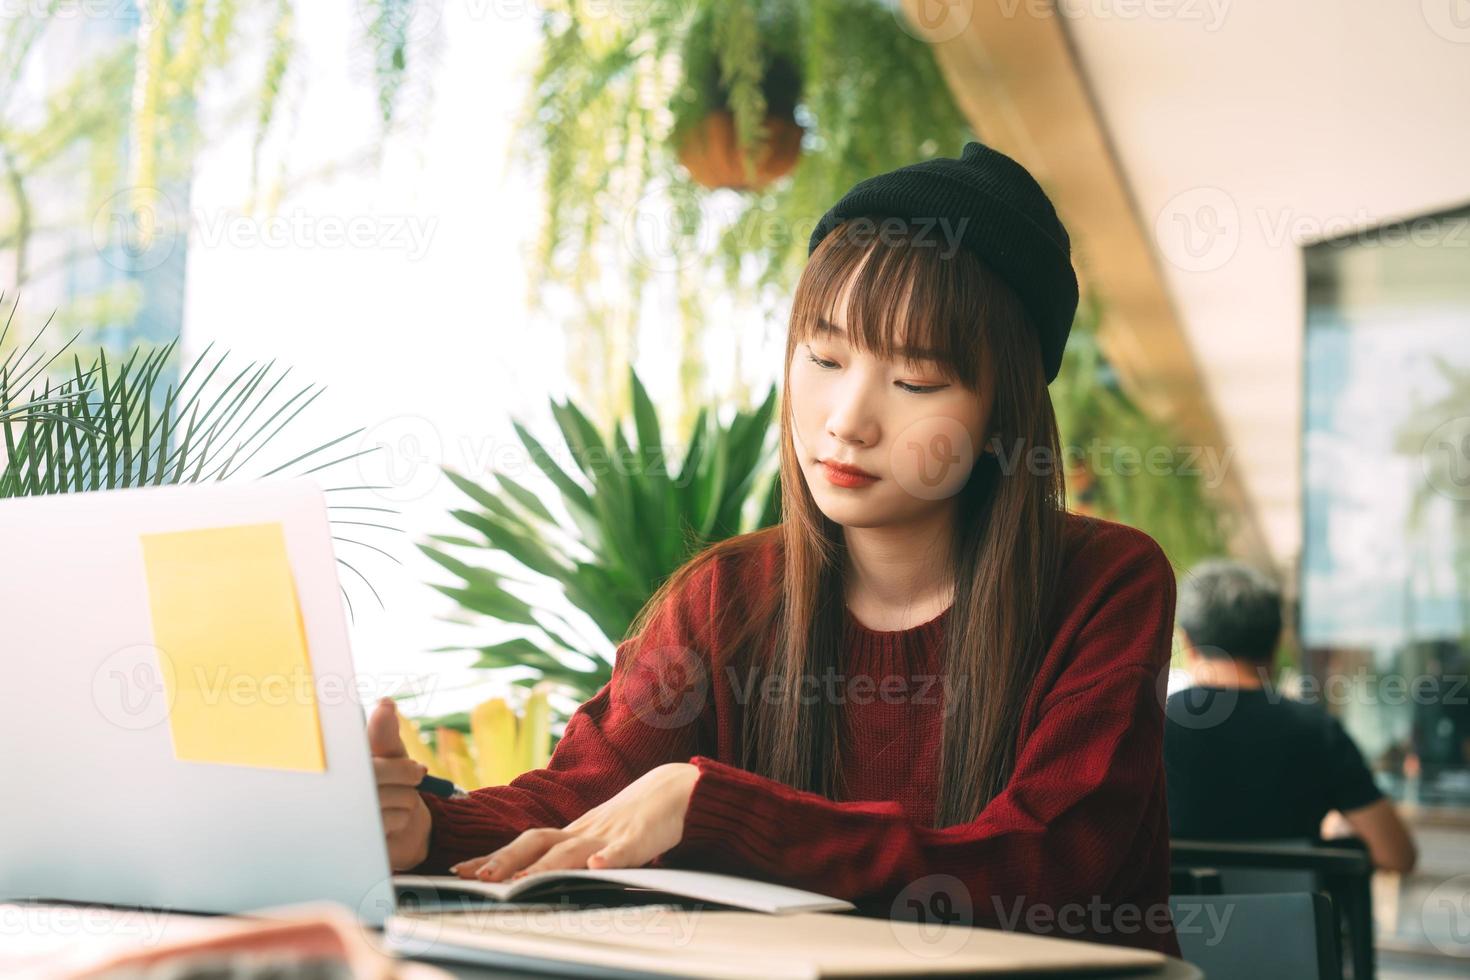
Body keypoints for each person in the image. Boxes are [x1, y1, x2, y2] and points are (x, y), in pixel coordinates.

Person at [369, 141, 1183, 955]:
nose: (847, 420)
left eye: (917, 382)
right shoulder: (726, 596)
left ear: (1003, 415)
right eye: (824, 357)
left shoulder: (1105, 585)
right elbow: (582, 800)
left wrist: (718, 812)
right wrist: (423, 829)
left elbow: (1045, 868)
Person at [1164, 559, 1417, 873]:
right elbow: (1398, 855)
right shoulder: (1317, 732)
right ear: (1275, 644)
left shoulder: (1149, 727)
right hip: (1289, 921)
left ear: (1186, 642)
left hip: (1175, 921)